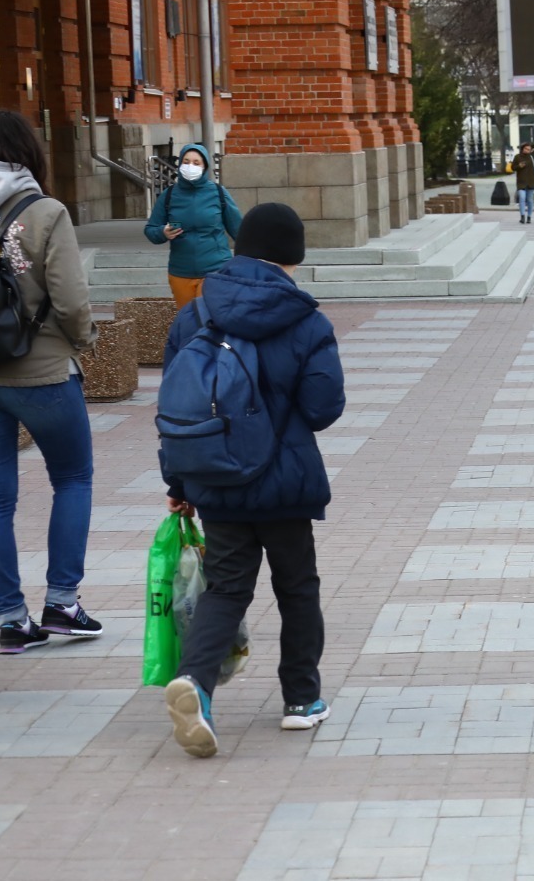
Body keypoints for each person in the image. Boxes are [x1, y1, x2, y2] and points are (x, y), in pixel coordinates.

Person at [161, 203, 345, 758]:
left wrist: (179, 484)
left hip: (215, 480)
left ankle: (195, 682)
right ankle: (301, 701)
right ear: (293, 256)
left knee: (227, 587)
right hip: (284, 482)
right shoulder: (305, 318)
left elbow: (175, 411)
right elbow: (322, 408)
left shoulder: (193, 315)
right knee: (297, 586)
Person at [0, 111, 103, 654]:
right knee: (72, 477)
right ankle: (62, 603)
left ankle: (11, 621)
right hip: (45, 371)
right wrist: (84, 339)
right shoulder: (46, 211)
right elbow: (72, 300)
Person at [144, 143, 243, 309]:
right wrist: (163, 232)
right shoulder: (168, 195)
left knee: (206, 318)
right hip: (181, 272)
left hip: (215, 269)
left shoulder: (218, 193)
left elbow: (239, 231)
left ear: (205, 167)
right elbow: (150, 230)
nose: (191, 166)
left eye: (197, 163)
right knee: (189, 323)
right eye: (186, 161)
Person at [512, 143, 534, 224]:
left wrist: (528, 144)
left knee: (530, 200)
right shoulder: (517, 157)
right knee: (522, 198)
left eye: (529, 149)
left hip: (531, 181)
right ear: (522, 149)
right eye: (526, 149)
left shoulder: (532, 156)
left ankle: (529, 216)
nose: (527, 150)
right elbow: (513, 168)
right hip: (521, 182)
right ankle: (522, 216)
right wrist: (519, 166)